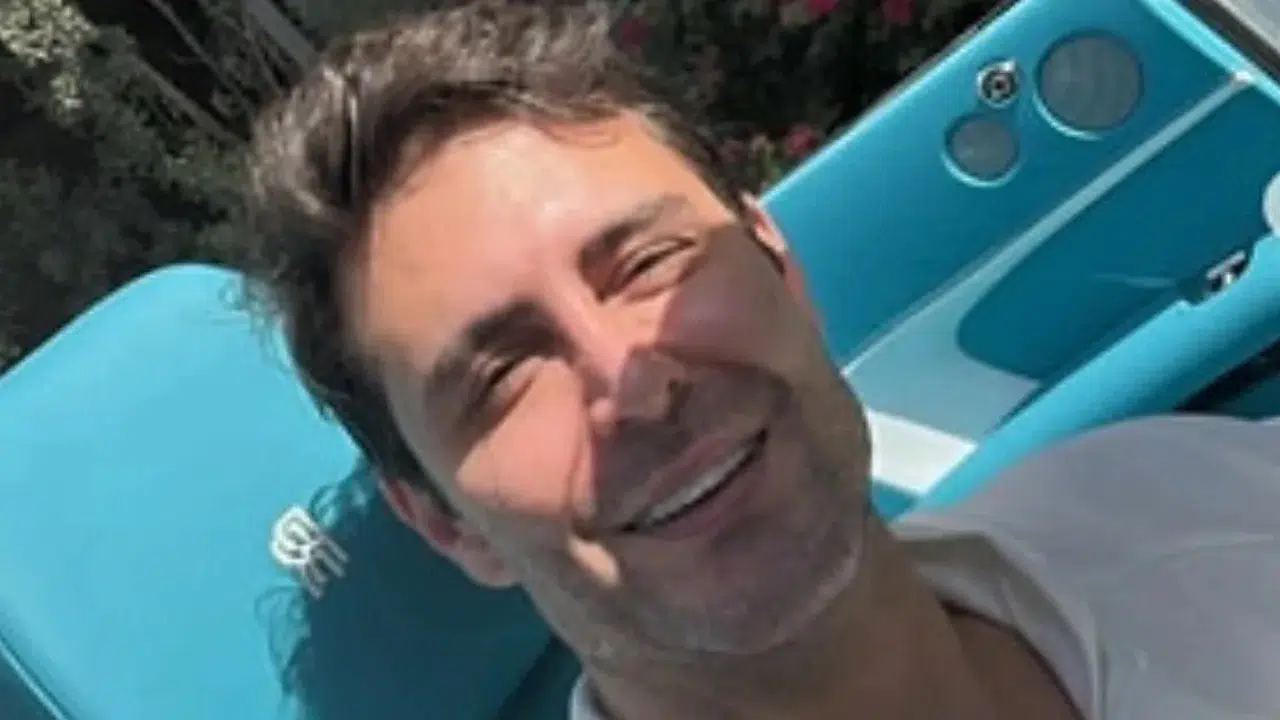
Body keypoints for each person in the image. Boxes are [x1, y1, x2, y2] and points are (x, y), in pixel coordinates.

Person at [239, 2, 1280, 717]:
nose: (634, 379)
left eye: (650, 263)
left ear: (780, 268)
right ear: (449, 524)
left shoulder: (1172, 494)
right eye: (503, 375)